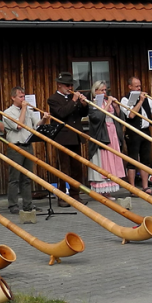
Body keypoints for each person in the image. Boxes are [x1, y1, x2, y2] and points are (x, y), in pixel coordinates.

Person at [2, 86, 48, 214]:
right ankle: (13, 205)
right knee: (14, 178)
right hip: (16, 147)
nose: (23, 99)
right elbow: (18, 126)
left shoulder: (28, 111)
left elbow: (36, 125)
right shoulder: (8, 112)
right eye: (20, 97)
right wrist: (23, 109)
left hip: (28, 145)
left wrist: (44, 119)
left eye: (24, 96)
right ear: (13, 98)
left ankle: (28, 204)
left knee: (27, 178)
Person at [47, 72, 89, 207]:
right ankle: (62, 196)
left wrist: (83, 104)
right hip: (63, 137)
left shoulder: (72, 97)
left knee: (77, 168)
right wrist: (74, 100)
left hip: (75, 136)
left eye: (71, 84)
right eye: (67, 85)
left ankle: (75, 195)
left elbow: (83, 114)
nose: (70, 87)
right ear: (59, 85)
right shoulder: (53, 99)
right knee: (64, 169)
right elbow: (62, 113)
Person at [120, 76, 152, 195]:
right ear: (129, 87)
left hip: (146, 130)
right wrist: (140, 101)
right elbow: (131, 115)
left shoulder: (146, 98)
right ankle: (132, 188)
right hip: (133, 131)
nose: (139, 88)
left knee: (145, 159)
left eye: (139, 85)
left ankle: (145, 186)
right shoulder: (125, 100)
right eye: (136, 86)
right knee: (133, 159)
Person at [87, 81, 126, 198]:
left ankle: (108, 190)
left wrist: (116, 106)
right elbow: (97, 118)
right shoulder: (93, 103)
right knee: (103, 162)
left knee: (112, 161)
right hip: (102, 136)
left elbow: (120, 118)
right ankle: (102, 191)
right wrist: (108, 103)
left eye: (105, 90)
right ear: (96, 91)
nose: (105, 93)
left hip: (112, 134)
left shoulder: (106, 102)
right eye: (102, 90)